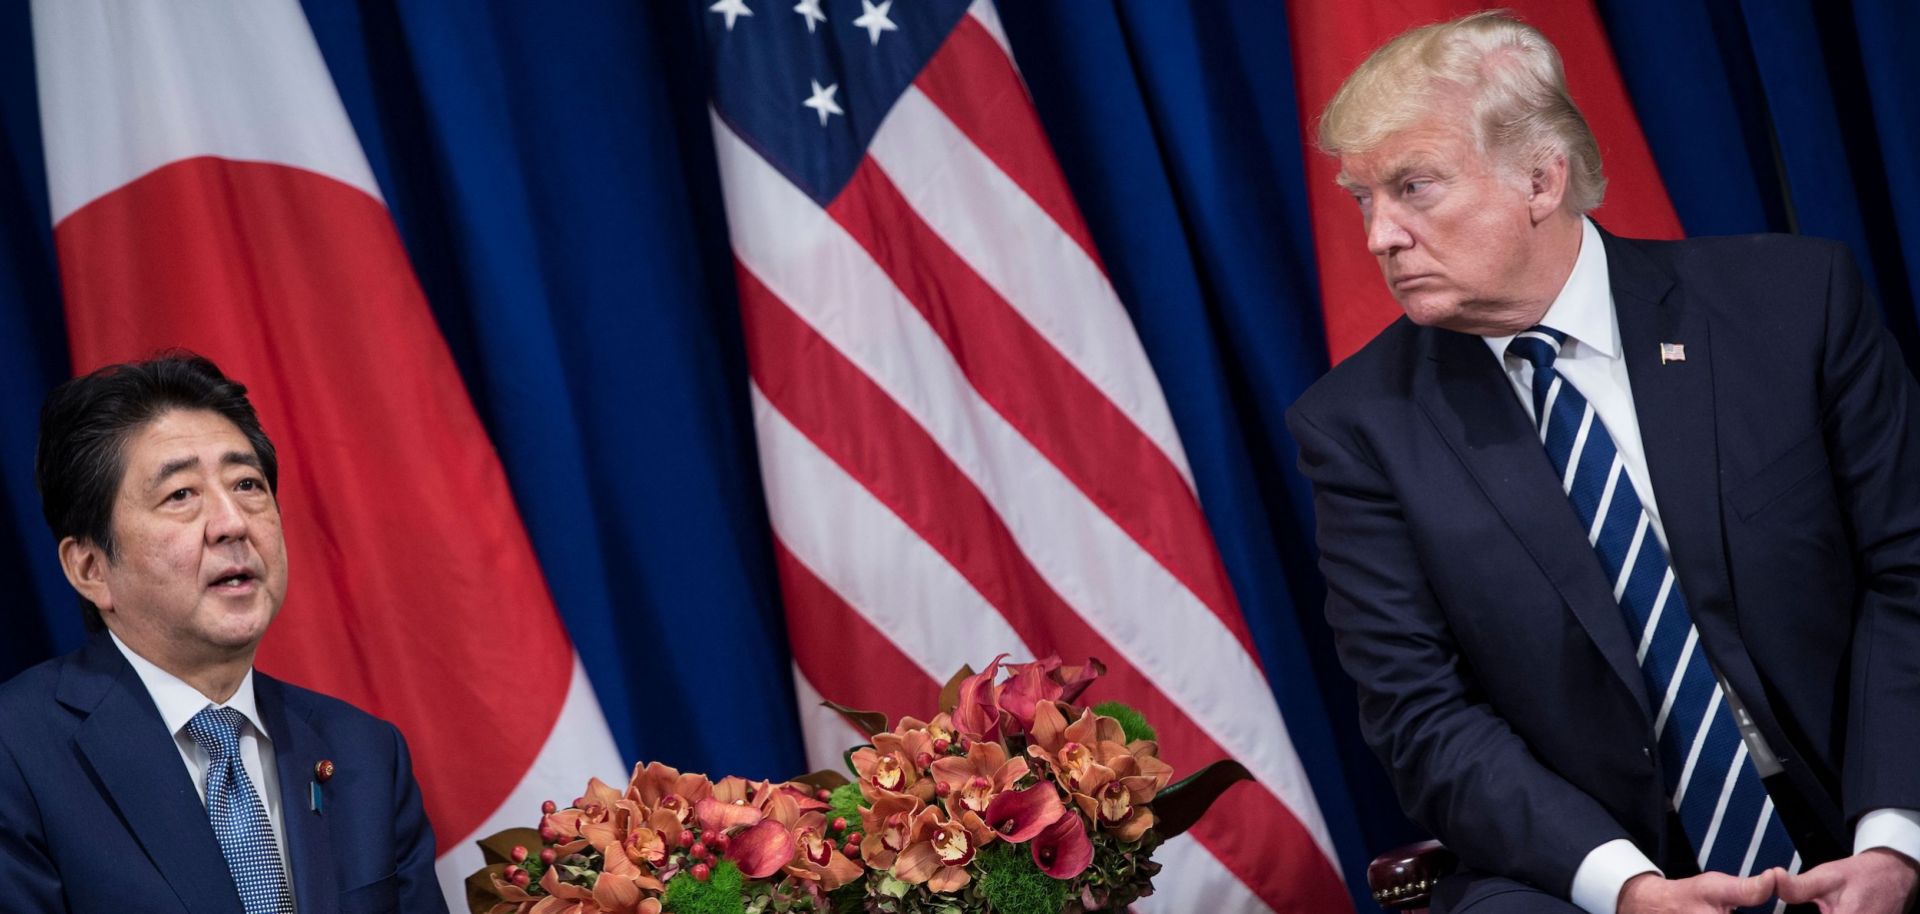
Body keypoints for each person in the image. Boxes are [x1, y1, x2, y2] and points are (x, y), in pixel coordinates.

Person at [1288, 12, 1920, 914]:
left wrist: (1895, 838)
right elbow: (1422, 716)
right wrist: (1624, 887)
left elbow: (1910, 570)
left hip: (1867, 805)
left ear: (1542, 179)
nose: (1380, 235)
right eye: (1362, 198)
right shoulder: (1360, 427)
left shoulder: (1790, 307)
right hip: (1609, 865)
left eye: (1413, 188)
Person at [0, 353, 447, 913]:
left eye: (247, 485)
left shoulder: (365, 753)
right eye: (180, 495)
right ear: (91, 569)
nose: (233, 522)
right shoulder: (16, 754)